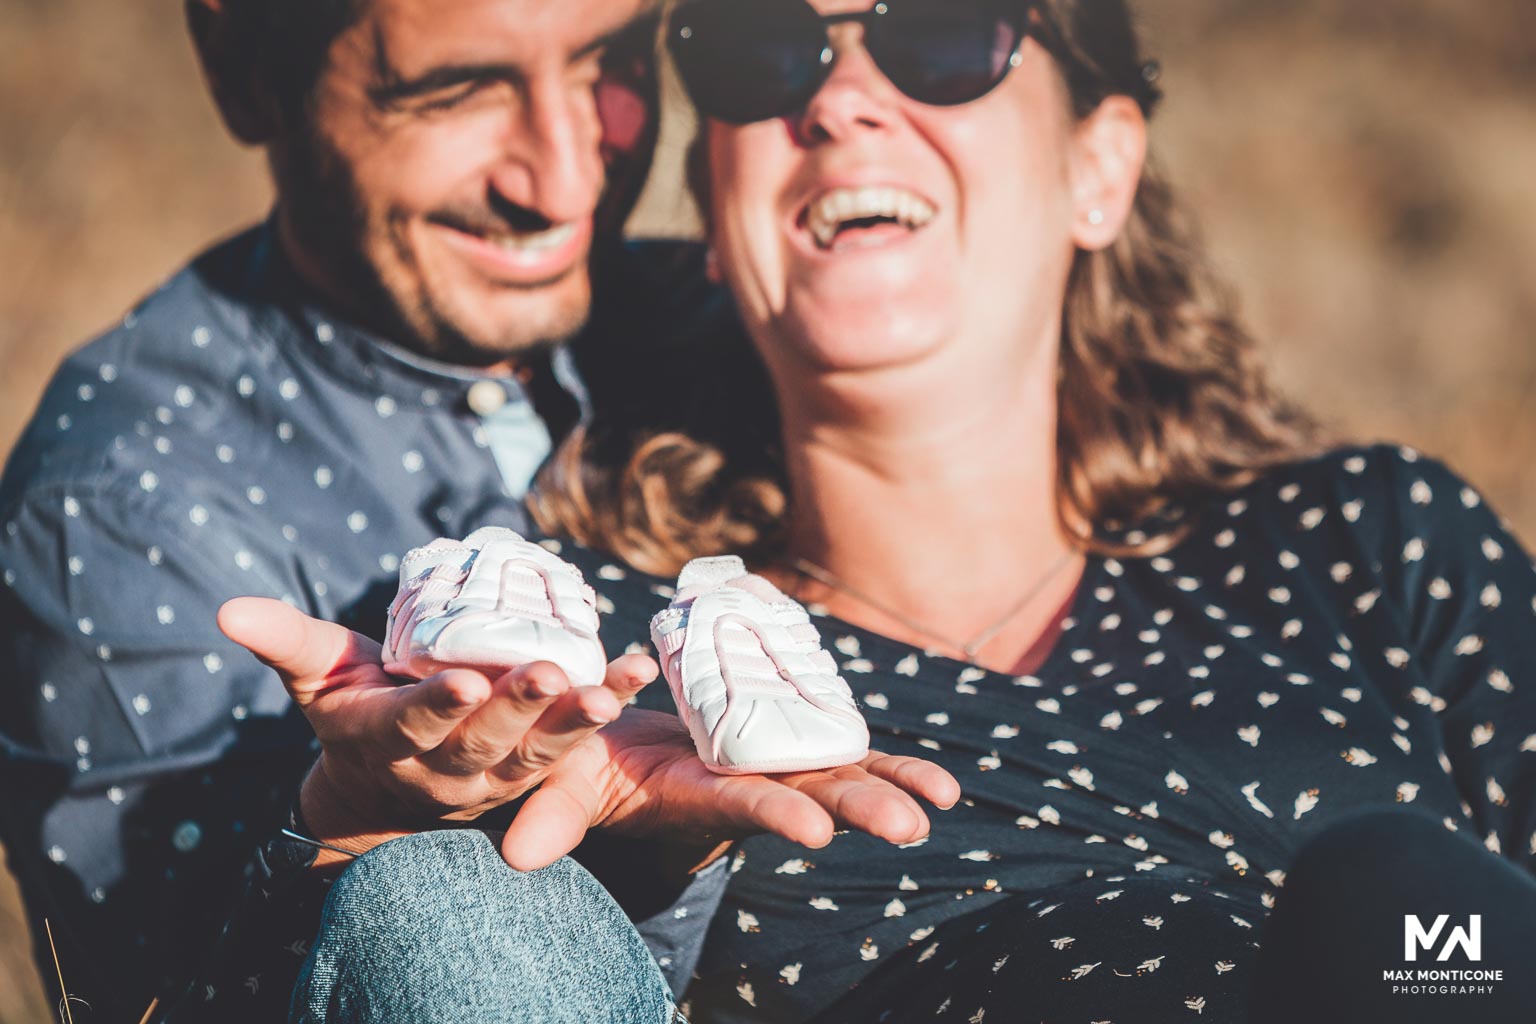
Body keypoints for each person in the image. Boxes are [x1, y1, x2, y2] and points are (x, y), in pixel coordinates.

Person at [229, 0, 1536, 1019]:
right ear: (714, 195)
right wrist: (370, 827)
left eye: (945, 34)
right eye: (761, 50)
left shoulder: (1366, 541)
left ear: (1102, 166)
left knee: (1398, 907)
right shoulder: (600, 676)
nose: (845, 98)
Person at [0, 0, 956, 1020]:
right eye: (453, 90)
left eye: (607, 60)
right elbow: (166, 994)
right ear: (243, 72)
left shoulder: (736, 317)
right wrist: (349, 825)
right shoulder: (117, 522)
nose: (565, 177)